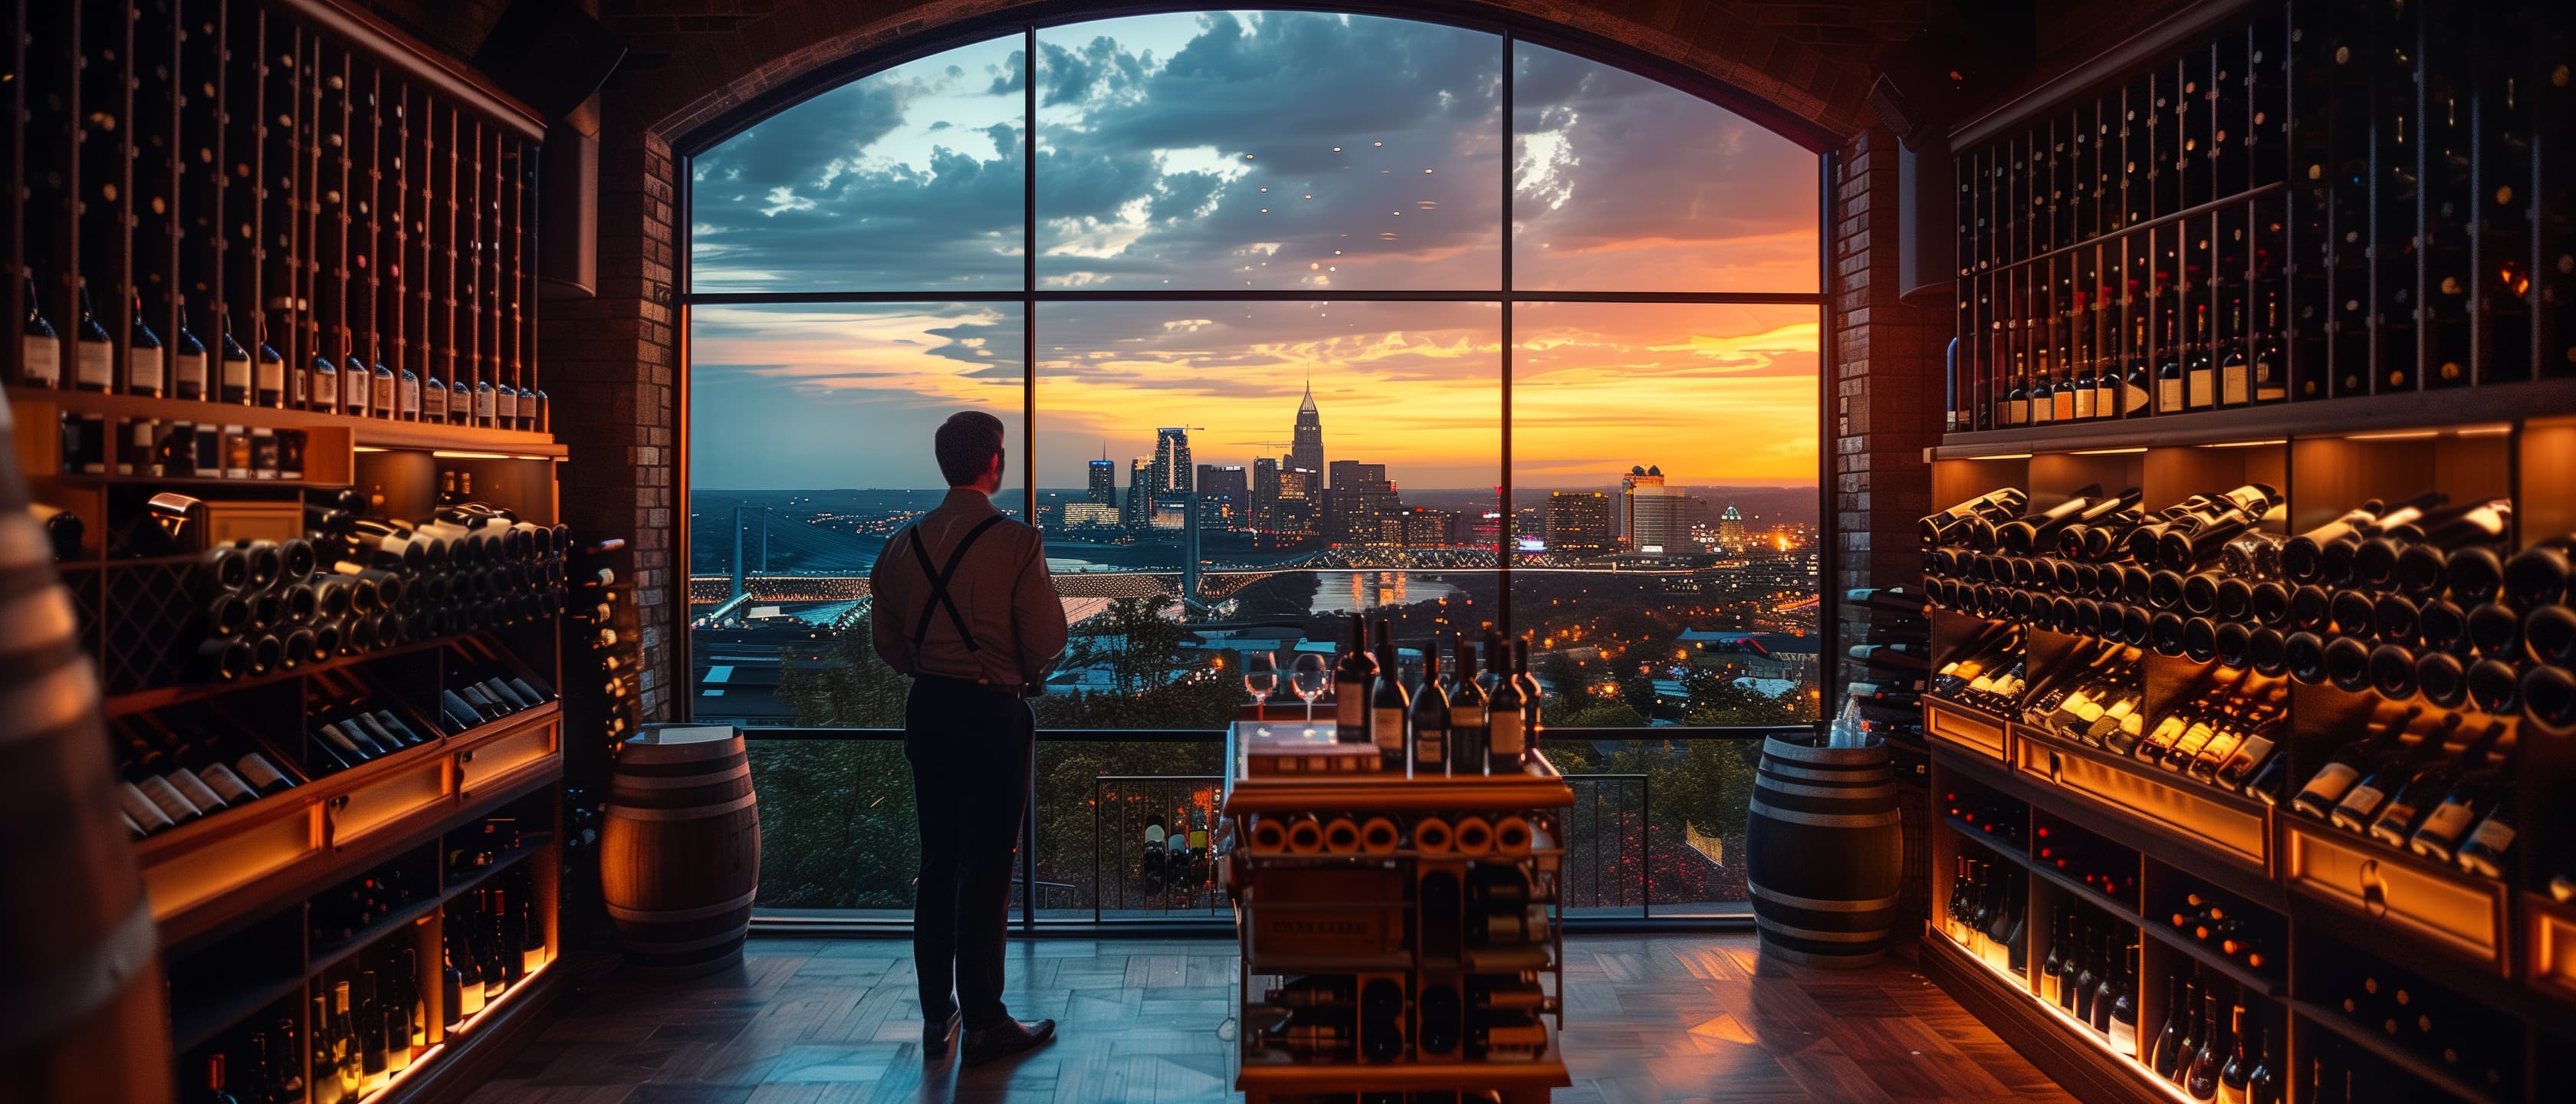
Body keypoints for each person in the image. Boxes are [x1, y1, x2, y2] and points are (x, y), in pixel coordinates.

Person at [868, 411, 1067, 1066]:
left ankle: (938, 1014)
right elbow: (1046, 641)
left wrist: (933, 668)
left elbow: (888, 645)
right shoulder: (1018, 543)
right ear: (994, 462)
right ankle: (985, 1019)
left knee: (939, 862)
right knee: (987, 868)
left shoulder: (901, 546)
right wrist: (1012, 669)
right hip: (990, 714)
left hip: (928, 709)